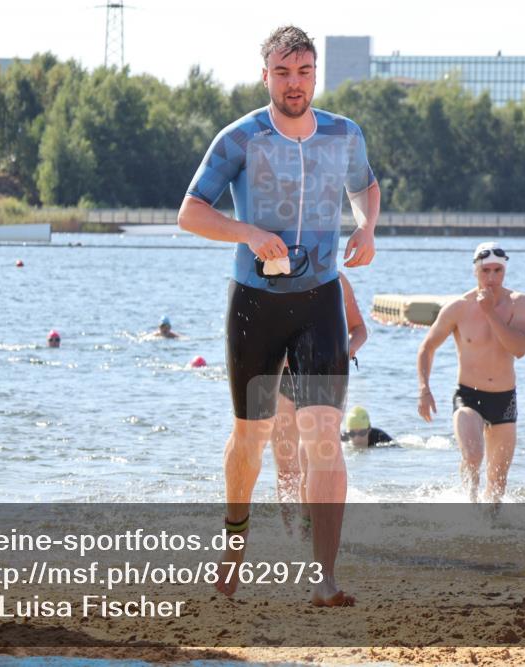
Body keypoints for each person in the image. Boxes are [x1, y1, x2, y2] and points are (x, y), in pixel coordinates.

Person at [176, 24, 380, 607]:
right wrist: (247, 233)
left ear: (316, 74)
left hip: (319, 299)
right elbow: (190, 213)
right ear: (265, 75)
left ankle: (325, 576)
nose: (295, 83)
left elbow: (367, 186)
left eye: (305, 72)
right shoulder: (240, 138)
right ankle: (235, 540)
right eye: (283, 72)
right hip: (255, 305)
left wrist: (367, 226)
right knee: (252, 438)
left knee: (324, 436)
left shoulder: (344, 134)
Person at [416, 242, 525, 504]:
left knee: (497, 483)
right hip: (469, 396)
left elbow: (519, 348)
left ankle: (488, 528)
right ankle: (468, 509)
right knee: (473, 455)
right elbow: (427, 348)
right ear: (475, 272)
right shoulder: (458, 307)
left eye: (497, 271)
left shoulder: (518, 303)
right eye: (485, 271)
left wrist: (490, 312)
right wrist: (424, 389)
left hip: (504, 398)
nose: (491, 278)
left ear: (504, 271)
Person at [271, 273, 372, 513]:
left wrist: (346, 350)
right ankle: (291, 533)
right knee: (287, 468)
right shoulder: (273, 276)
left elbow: (359, 329)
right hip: (283, 379)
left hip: (323, 374)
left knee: (315, 458)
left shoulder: (336, 278)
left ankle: (310, 524)